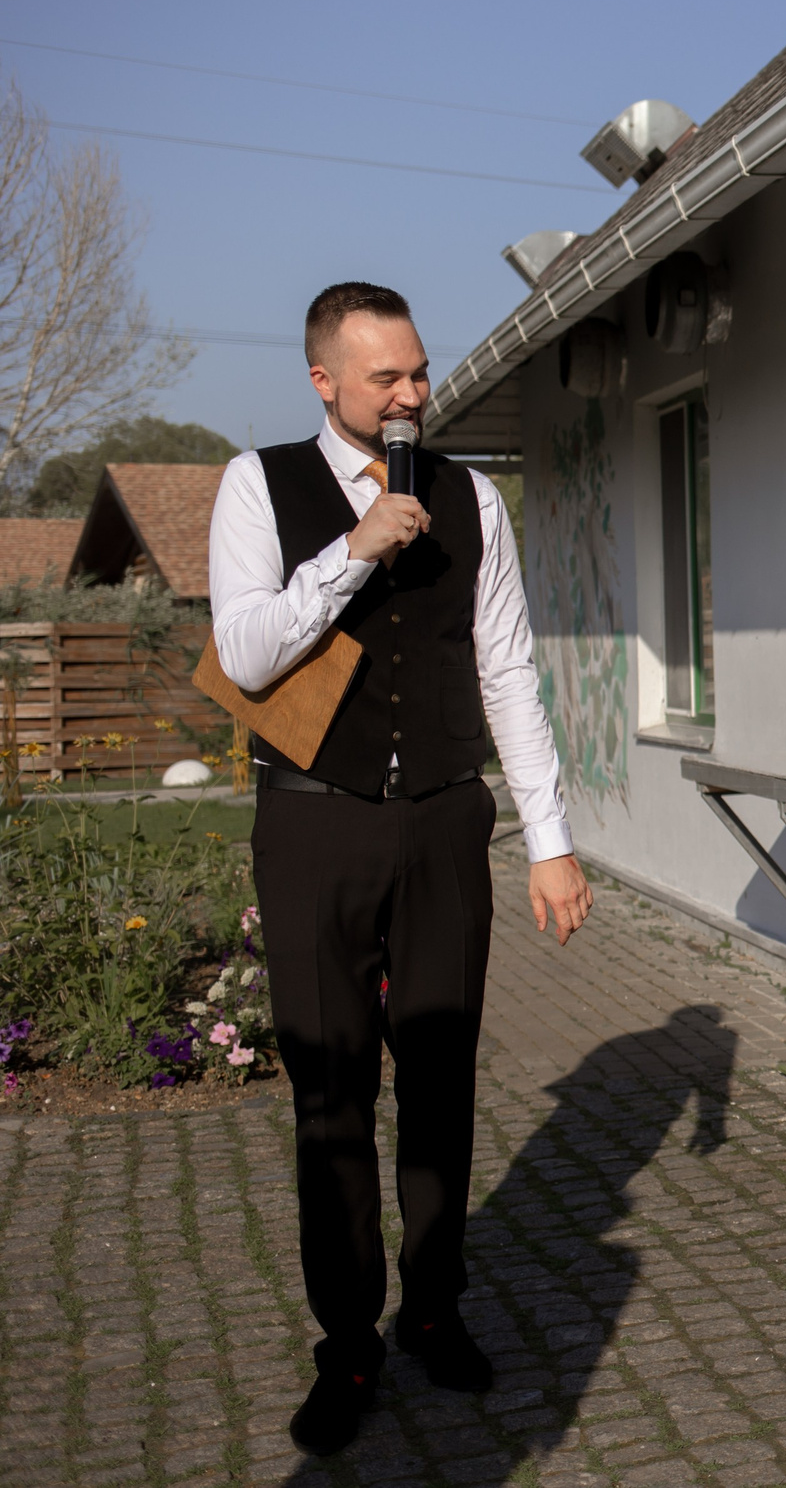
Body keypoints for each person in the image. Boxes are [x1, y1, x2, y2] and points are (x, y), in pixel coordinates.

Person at [207, 282, 594, 1456]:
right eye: (388, 378)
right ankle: (348, 1343)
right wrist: (352, 550)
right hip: (314, 825)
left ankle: (433, 1308)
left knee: (438, 1078)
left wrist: (551, 838)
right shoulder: (254, 484)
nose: (414, 395)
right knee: (330, 1094)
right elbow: (245, 648)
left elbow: (511, 672)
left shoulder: (472, 494)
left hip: (440, 823)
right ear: (324, 379)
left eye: (420, 372)